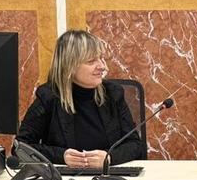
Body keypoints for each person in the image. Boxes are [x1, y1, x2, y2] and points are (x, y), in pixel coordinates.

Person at [16, 29, 144, 168]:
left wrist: (110, 158)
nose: (102, 66)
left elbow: (135, 145)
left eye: (101, 58)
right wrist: (61, 156)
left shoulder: (113, 94)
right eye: (91, 61)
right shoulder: (49, 97)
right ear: (69, 66)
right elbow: (21, 148)